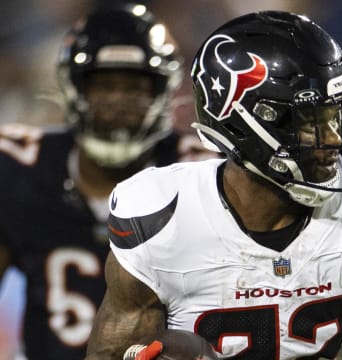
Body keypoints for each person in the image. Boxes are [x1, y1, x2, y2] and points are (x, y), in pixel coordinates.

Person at [85, 10, 342, 360]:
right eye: (312, 122)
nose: (335, 140)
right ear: (244, 125)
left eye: (334, 117)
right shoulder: (162, 220)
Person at [0, 3, 215, 359]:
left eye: (134, 87)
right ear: (75, 88)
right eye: (104, 86)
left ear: (163, 91)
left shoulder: (200, 174)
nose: (118, 103)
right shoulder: (20, 170)